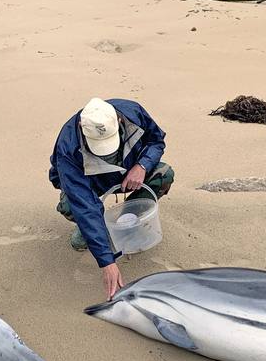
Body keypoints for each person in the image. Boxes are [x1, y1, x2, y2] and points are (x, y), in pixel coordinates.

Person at [49, 97, 174, 299]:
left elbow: (156, 141)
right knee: (71, 205)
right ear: (81, 127)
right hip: (91, 181)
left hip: (129, 173)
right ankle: (91, 230)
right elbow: (84, 205)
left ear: (119, 120)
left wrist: (142, 165)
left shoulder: (133, 112)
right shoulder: (67, 148)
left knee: (164, 174)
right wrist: (107, 262)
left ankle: (128, 220)